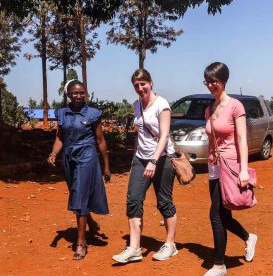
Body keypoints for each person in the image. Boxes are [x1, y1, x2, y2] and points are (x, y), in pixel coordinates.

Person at [112, 69, 178, 264]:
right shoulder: (136, 106)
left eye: (143, 84)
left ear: (151, 82)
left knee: (164, 202)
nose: (140, 88)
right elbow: (139, 137)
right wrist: (135, 162)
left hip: (163, 159)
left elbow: (164, 136)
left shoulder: (162, 105)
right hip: (140, 159)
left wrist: (154, 160)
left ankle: (170, 244)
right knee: (133, 200)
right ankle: (134, 248)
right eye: (136, 86)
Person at [202, 62, 257, 276]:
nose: (209, 85)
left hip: (231, 165)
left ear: (223, 80)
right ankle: (248, 236)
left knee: (215, 214)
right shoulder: (209, 109)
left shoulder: (236, 106)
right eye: (206, 81)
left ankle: (219, 264)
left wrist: (244, 169)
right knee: (223, 213)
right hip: (214, 166)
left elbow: (242, 139)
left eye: (213, 81)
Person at [48, 79, 111, 260]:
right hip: (69, 158)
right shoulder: (61, 113)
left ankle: (81, 243)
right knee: (76, 193)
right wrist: (53, 153)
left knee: (80, 195)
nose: (78, 95)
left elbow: (100, 140)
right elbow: (60, 137)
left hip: (87, 157)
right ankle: (91, 222)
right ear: (68, 94)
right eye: (74, 93)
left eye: (81, 92)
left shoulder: (92, 113)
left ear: (86, 94)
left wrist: (106, 165)